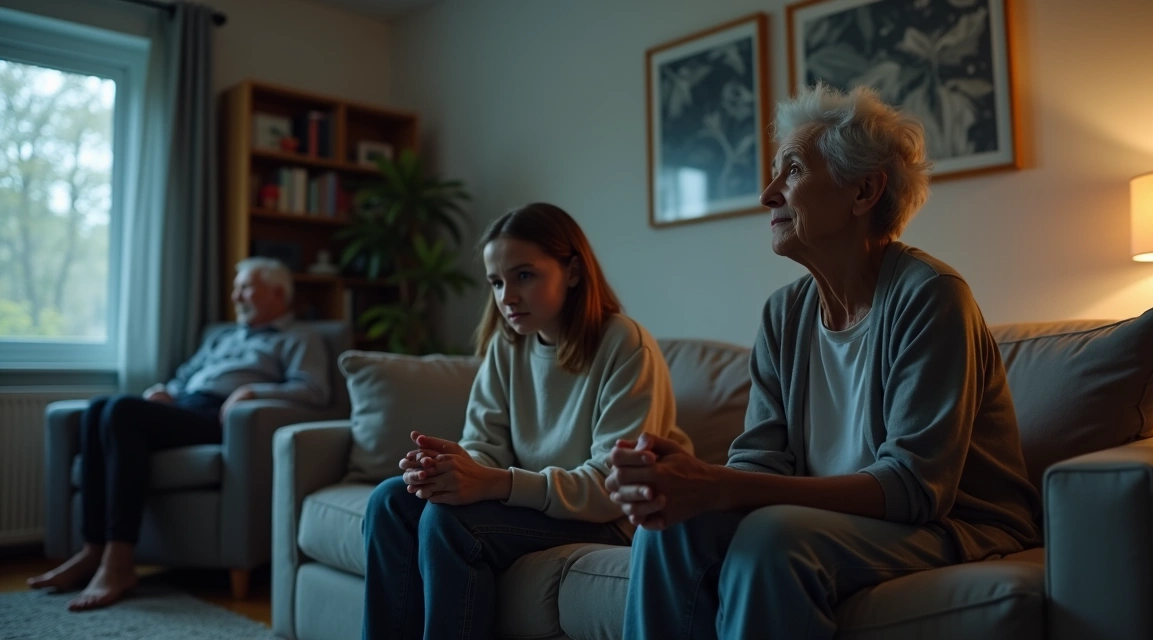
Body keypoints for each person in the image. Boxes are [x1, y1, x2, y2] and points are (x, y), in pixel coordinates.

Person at [607, 82, 1042, 639]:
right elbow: (761, 464)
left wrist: (720, 485)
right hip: (839, 522)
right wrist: (686, 482)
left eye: (791, 170)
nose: (767, 194)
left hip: (959, 525)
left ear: (864, 191)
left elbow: (915, 488)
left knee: (771, 543)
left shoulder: (930, 295)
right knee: (666, 530)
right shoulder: (783, 314)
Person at [362, 203, 692, 640]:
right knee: (390, 500)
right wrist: (453, 469)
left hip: (614, 517)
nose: (507, 297)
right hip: (542, 503)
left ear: (572, 271)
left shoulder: (624, 344)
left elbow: (612, 488)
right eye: (496, 282)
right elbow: (485, 446)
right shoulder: (508, 346)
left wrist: (495, 483)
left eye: (523, 275)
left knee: (450, 522)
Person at [28, 257, 331, 611]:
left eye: (246, 288)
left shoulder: (300, 337)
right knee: (100, 408)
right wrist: (165, 391)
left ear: (279, 293)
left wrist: (254, 392)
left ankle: (119, 560)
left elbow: (314, 390)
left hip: (220, 419)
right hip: (184, 406)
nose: (236, 297)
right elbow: (185, 375)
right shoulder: (224, 336)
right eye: (236, 289)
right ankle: (94, 549)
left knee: (121, 410)